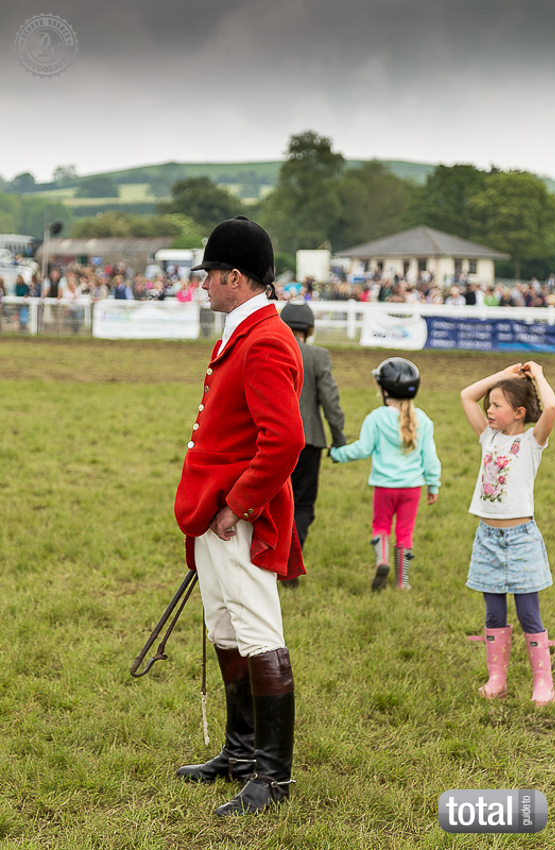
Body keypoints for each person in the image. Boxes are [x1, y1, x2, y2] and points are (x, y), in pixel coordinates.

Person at [173, 216, 305, 817]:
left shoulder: (268, 339)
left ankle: (272, 779)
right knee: (225, 628)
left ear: (234, 276)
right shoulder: (241, 331)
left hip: (237, 514)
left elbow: (284, 441)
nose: (203, 285)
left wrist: (237, 504)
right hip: (214, 511)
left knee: (258, 633)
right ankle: (240, 752)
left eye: (209, 275)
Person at [461, 362, 555, 706]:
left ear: (519, 413)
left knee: (528, 614)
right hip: (487, 538)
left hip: (521, 539)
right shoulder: (487, 436)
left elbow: (551, 407)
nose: (488, 410)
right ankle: (497, 679)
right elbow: (466, 395)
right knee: (493, 613)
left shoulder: (532, 441)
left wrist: (538, 375)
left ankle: (543, 683)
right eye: (489, 405)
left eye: (497, 405)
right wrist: (503, 376)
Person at [330, 358, 441, 592]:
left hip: (384, 487)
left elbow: (362, 449)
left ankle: (382, 561)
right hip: (412, 488)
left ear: (384, 390)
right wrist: (433, 484)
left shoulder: (376, 418)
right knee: (405, 532)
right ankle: (402, 583)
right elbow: (430, 458)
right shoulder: (424, 420)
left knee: (381, 525)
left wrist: (338, 454)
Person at [280, 301, 346, 584]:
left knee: (273, 503)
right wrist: (339, 437)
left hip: (273, 440)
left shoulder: (273, 349)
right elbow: (330, 400)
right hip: (309, 440)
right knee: (303, 504)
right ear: (310, 329)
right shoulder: (319, 356)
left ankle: (268, 558)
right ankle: (290, 566)